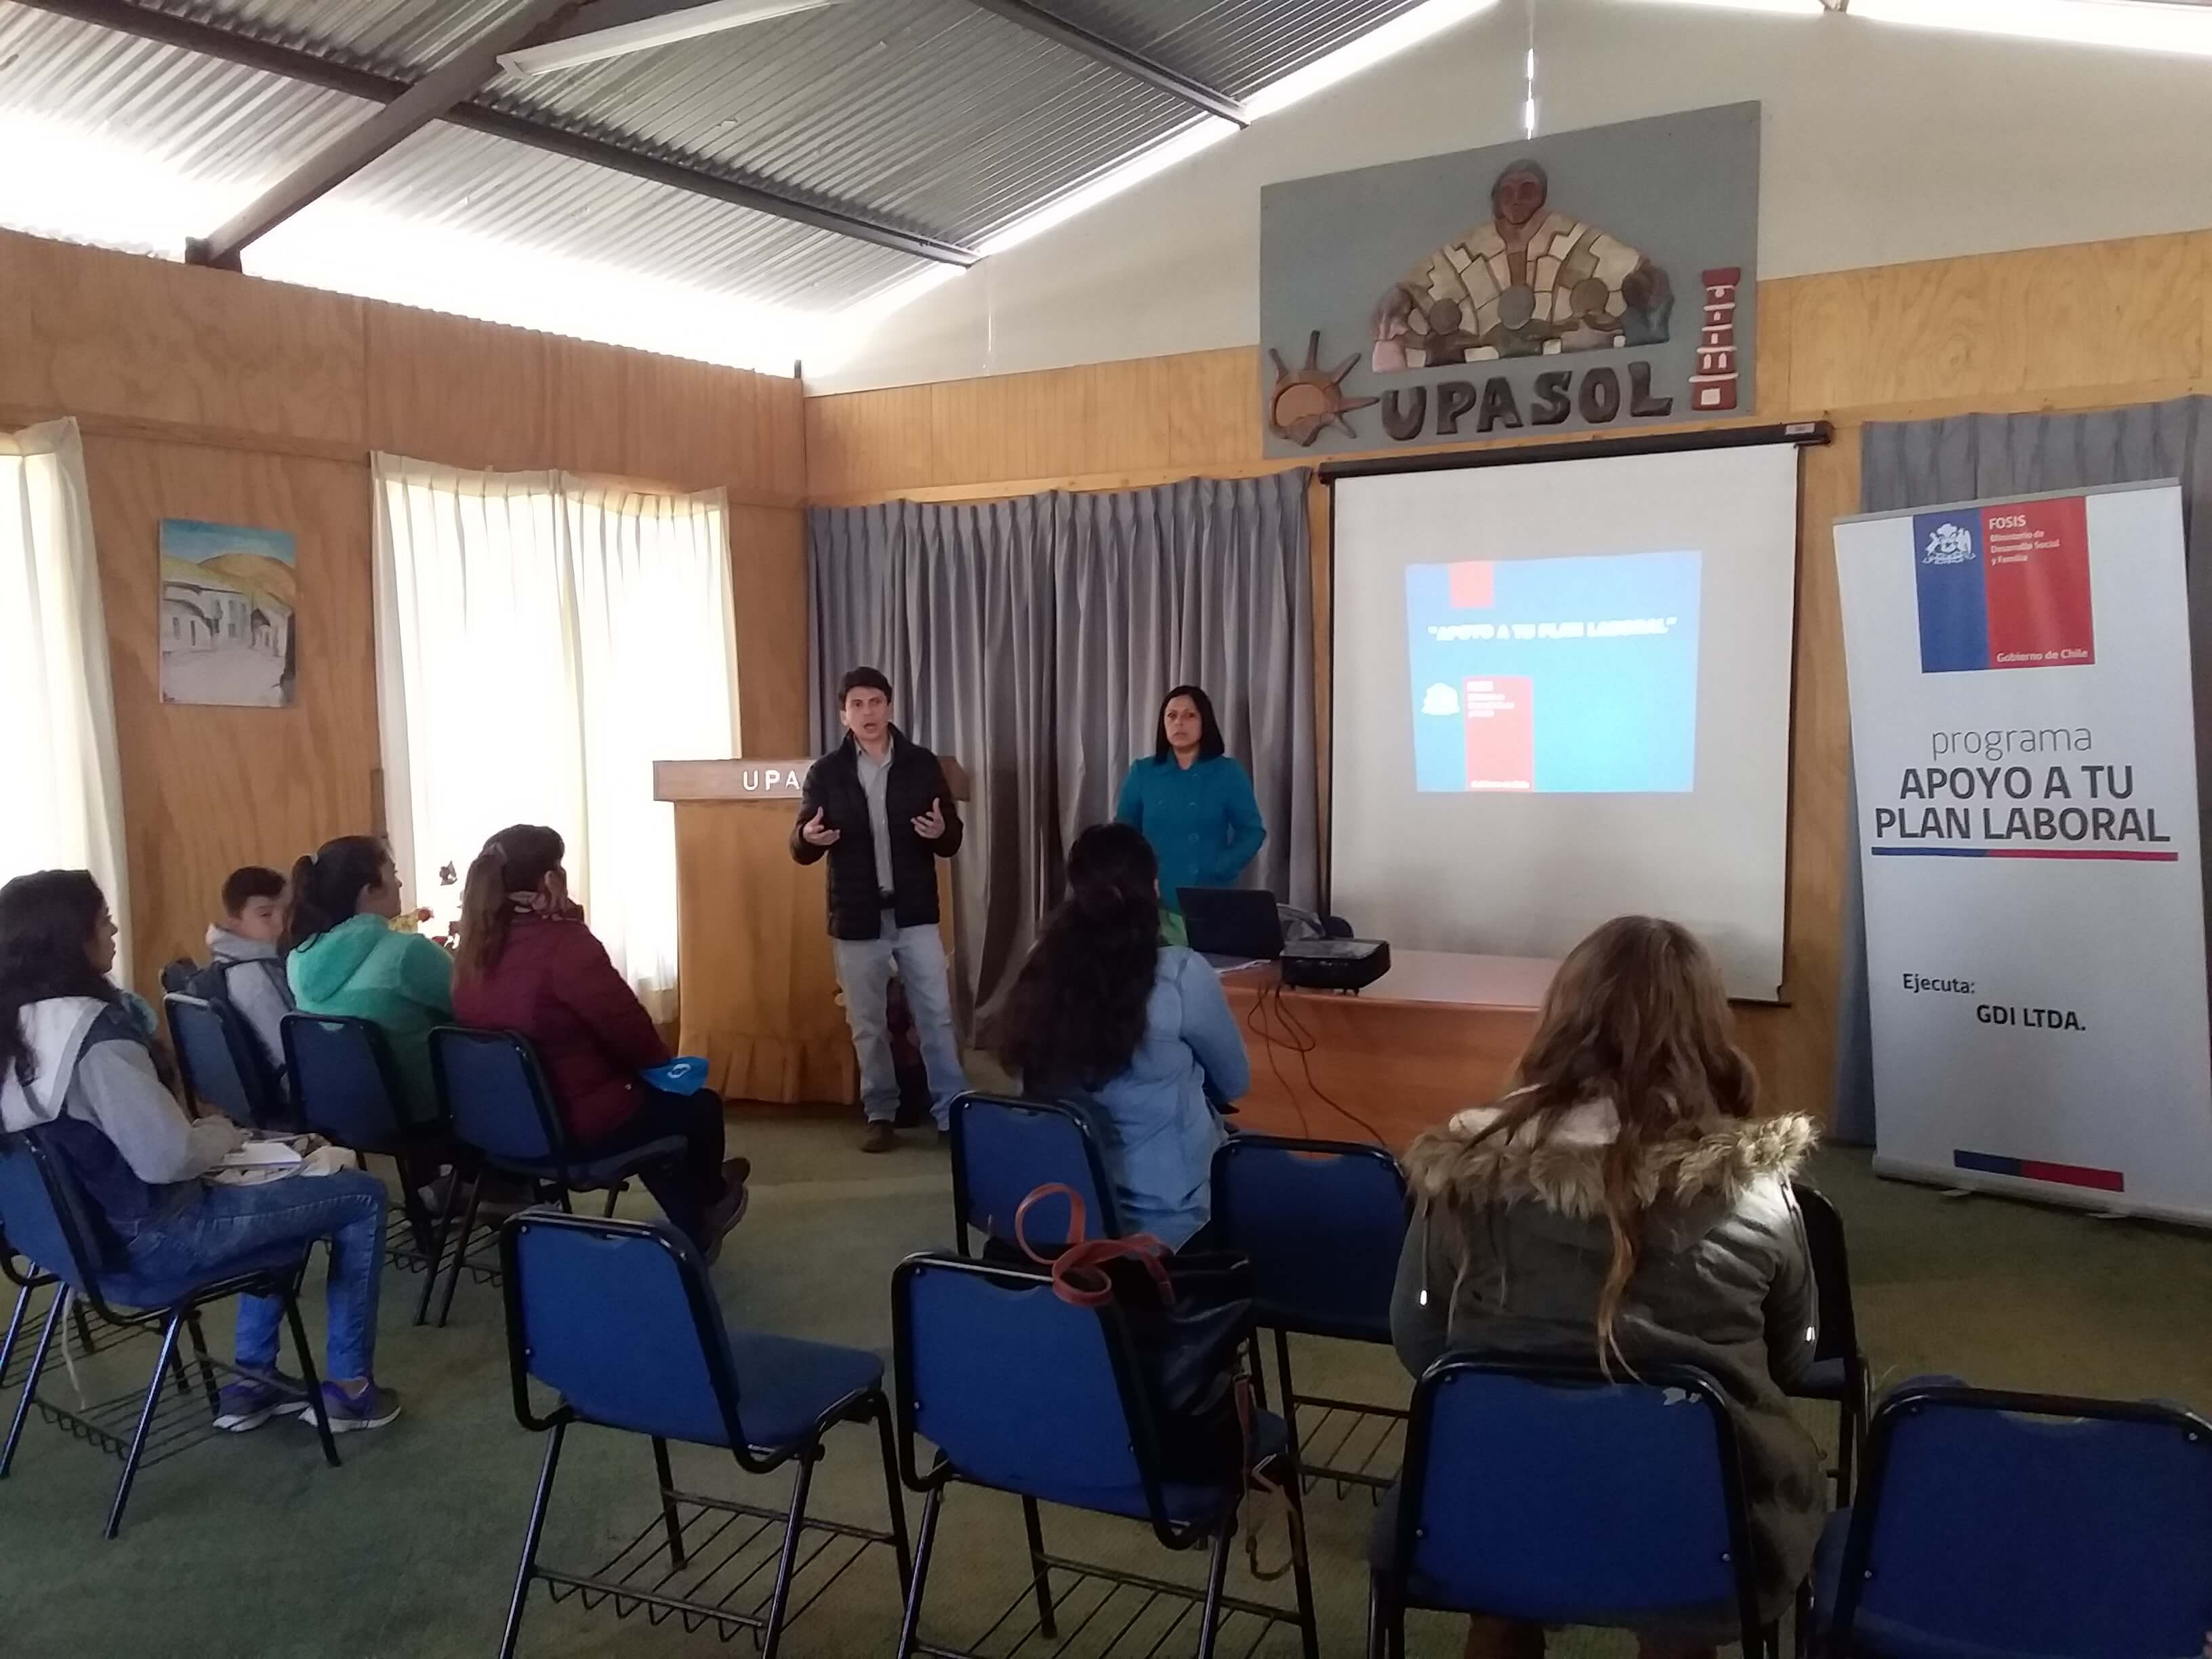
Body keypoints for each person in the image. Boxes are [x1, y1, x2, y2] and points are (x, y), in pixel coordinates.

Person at [1389, 916, 1824, 1659]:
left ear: (1564, 1015)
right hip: (1701, 1526)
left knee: (1495, 1531)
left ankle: (1502, 1614)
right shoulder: (1757, 1190)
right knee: (1690, 1560)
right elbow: (1793, 1357)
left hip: (1496, 1503)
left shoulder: (1465, 1174)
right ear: (1707, 1031)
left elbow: (1418, 1338)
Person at [0, 870, 399, 1431]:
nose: (114, 931)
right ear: (69, 938)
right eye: (103, 921)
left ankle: (253, 1384)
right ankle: (350, 1390)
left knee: (288, 1204)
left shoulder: (15, 1028)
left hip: (73, 1247)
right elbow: (168, 1159)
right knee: (361, 1195)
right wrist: (224, 1134)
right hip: (158, 1242)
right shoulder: (94, 1036)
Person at [449, 825, 750, 1259]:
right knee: (697, 1106)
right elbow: (634, 1036)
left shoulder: (472, 950)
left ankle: (703, 1206)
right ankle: (707, 1203)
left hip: (498, 1128)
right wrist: (656, 1067)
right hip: (573, 1130)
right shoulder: (565, 946)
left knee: (655, 1111)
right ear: (550, 879)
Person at [985, 823, 1246, 1246]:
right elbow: (1235, 1083)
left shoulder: (1041, 964)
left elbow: (1025, 1079)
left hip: (1063, 1208)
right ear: (1154, 887)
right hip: (1168, 1220)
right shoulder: (1181, 972)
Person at [792, 667, 969, 1154]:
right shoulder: (827, 773)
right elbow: (799, 843)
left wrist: (942, 834)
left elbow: (952, 836)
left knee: (936, 1016)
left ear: (889, 707)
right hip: (857, 918)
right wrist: (808, 837)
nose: (867, 712)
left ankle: (952, 1111)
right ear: (843, 714)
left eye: (875, 702)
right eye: (857, 705)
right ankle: (880, 1111)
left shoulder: (921, 764)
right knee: (867, 1023)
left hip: (915, 914)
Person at [285, 836, 451, 1126]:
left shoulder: (297, 959)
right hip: (423, 1114)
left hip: (342, 1115)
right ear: (369, 891)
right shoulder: (406, 953)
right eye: (393, 874)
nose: (399, 883)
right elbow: (476, 1005)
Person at [1113, 685, 1266, 945]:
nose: (1179, 723)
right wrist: (1137, 878)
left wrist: (1221, 866)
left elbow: (1252, 831)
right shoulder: (1143, 772)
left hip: (1209, 896)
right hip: (1153, 897)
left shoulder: (1227, 772)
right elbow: (1124, 832)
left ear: (1205, 721)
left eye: (1189, 715)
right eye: (1172, 716)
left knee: (1208, 966)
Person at [197, 865, 294, 1082]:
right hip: (291, 1085)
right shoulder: (255, 977)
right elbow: (292, 1051)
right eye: (266, 914)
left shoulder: (226, 962)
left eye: (286, 911)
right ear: (235, 923)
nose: (281, 923)